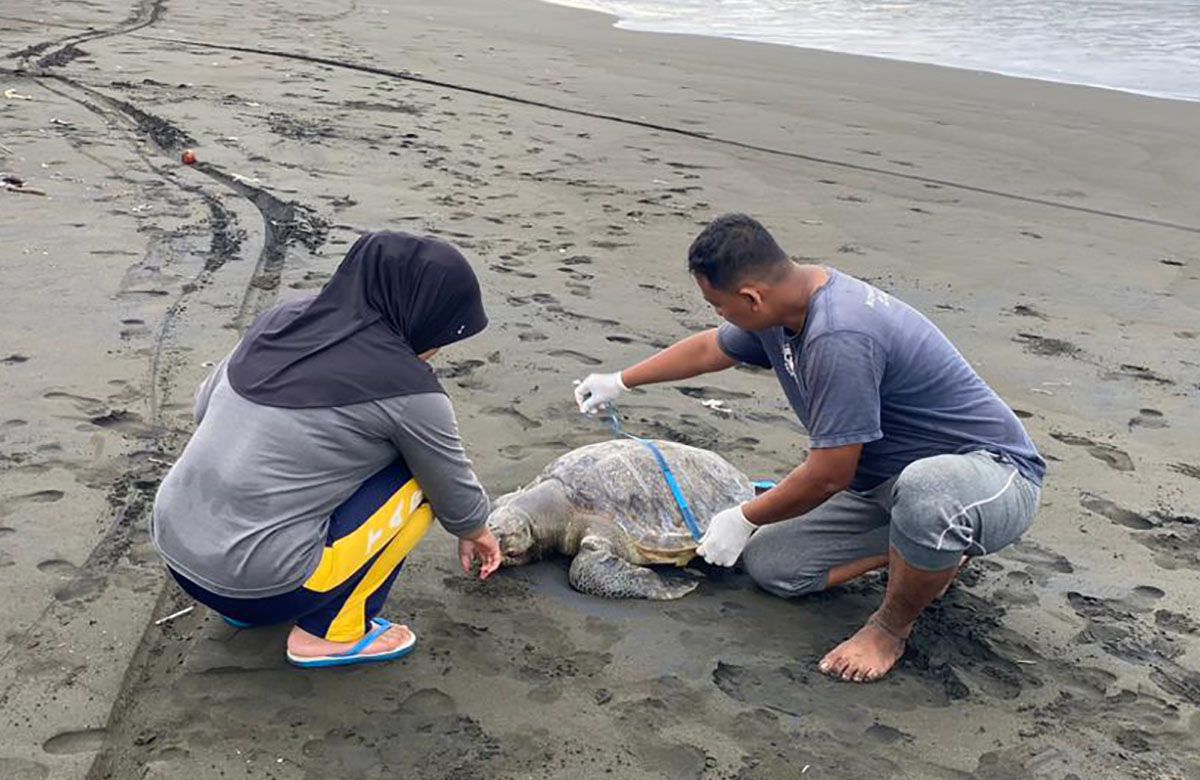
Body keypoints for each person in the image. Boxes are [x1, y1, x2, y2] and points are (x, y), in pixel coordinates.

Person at [574, 213, 1044, 683]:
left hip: (991, 476)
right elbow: (709, 350)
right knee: (772, 565)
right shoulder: (786, 305)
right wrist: (620, 381)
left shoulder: (840, 336)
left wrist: (744, 516)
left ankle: (889, 628)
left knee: (928, 492)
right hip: (883, 484)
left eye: (717, 305)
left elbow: (830, 475)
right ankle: (930, 556)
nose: (718, 315)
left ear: (751, 297)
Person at [151, 231, 501, 669]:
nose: (437, 350)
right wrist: (477, 532)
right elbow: (454, 494)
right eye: (442, 335)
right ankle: (331, 633)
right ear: (420, 316)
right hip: (261, 582)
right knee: (420, 477)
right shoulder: (410, 389)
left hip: (176, 551)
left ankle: (242, 604)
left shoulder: (280, 322)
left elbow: (205, 407)